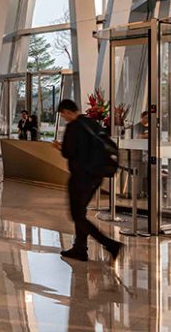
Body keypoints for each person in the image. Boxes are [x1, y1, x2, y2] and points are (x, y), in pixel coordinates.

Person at [53, 99, 123, 262]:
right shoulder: (91, 123)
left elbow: (69, 152)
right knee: (81, 213)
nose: (64, 118)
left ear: (67, 112)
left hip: (81, 176)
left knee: (77, 215)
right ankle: (80, 248)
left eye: (63, 115)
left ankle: (110, 244)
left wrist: (59, 147)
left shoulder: (73, 127)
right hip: (95, 176)